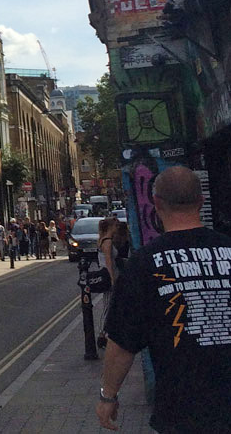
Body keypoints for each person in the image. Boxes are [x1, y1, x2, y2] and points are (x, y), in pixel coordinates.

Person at [96, 166, 231, 432]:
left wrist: (108, 396)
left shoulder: (143, 265)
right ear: (201, 201)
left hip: (182, 415)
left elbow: (122, 343)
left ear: (156, 203)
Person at [95, 216, 120, 348]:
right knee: (108, 306)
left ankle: (107, 333)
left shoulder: (102, 240)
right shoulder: (108, 242)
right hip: (109, 275)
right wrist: (112, 279)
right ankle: (102, 335)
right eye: (116, 226)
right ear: (111, 227)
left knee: (110, 305)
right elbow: (109, 262)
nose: (117, 229)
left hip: (106, 273)